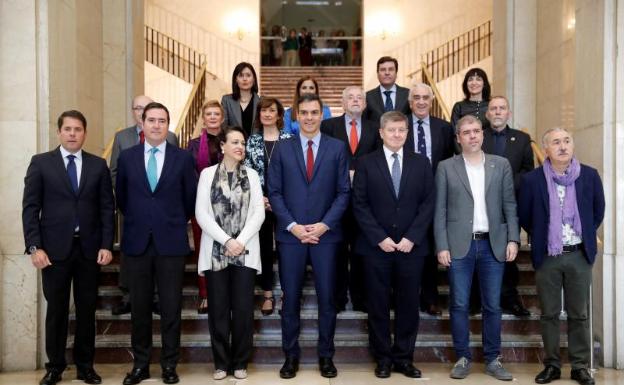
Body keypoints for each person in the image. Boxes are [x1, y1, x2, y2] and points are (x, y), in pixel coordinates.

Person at [22, 110, 114, 385]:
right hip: (53, 251)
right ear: (59, 132)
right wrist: (34, 247)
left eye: (78, 129)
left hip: (88, 250)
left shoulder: (98, 165)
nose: (73, 134)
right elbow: (30, 208)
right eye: (68, 129)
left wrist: (107, 245)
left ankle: (86, 366)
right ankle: (55, 367)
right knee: (57, 310)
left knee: (87, 310)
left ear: (85, 133)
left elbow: (107, 209)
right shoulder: (41, 164)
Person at [268, 93, 350, 379]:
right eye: (304, 112)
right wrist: (293, 226)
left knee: (327, 299)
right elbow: (274, 192)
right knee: (290, 299)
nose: (310, 117)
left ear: (322, 115)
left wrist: (324, 225)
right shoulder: (282, 148)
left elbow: (343, 192)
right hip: (291, 237)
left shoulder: (337, 148)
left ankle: (326, 356)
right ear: (295, 115)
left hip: (326, 237)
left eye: (315, 112)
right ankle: (290, 357)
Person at [116, 102, 197, 385]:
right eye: (151, 120)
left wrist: (169, 220)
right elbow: (122, 199)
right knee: (139, 308)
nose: (156, 125)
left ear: (168, 124)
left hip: (171, 243)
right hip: (137, 242)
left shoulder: (183, 158)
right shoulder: (127, 158)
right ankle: (140, 365)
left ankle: (169, 365)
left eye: (162, 121)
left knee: (171, 307)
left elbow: (190, 199)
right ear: (142, 122)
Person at [434, 114, 519, 381]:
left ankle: (493, 359)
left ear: (482, 135)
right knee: (459, 304)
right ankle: (462, 357)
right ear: (458, 138)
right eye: (466, 132)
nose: (472, 135)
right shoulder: (446, 167)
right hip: (460, 245)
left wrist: (513, 239)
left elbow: (509, 205)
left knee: (492, 305)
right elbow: (440, 210)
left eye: (476, 131)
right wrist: (442, 245)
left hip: (492, 244)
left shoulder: (501, 164)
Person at [518, 128, 604, 385]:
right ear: (546, 149)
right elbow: (525, 216)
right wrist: (546, 236)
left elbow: (598, 211)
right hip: (549, 255)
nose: (563, 146)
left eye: (567, 141)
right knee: (550, 314)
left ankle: (579, 366)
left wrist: (583, 232)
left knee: (580, 314)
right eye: (556, 142)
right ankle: (552, 365)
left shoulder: (589, 176)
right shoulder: (533, 180)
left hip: (579, 254)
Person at [352, 111, 435, 379]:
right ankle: (383, 359)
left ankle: (403, 357)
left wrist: (412, 237)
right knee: (377, 305)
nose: (397, 134)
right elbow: (360, 204)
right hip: (377, 248)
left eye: (402, 130)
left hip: (412, 248)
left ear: (407, 133)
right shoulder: (366, 163)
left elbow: (428, 204)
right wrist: (380, 238)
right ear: (381, 133)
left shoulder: (422, 163)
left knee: (408, 305)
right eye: (392, 130)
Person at [195, 126, 265, 380]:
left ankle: (240, 362)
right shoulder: (207, 175)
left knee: (244, 309)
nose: (240, 147)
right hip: (216, 252)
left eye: (243, 143)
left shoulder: (253, 176)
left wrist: (240, 241)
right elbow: (201, 213)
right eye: (234, 142)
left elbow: (259, 213)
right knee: (219, 309)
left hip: (245, 251)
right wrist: (226, 240)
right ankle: (221, 363)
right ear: (222, 146)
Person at [109, 95, 178, 316]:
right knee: (131, 256)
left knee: (159, 256)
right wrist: (129, 205)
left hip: (162, 214)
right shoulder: (122, 137)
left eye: (144, 107)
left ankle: (156, 297)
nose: (141, 111)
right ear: (134, 112)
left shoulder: (172, 137)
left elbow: (174, 175)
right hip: (132, 209)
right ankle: (129, 296)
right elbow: (115, 172)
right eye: (138, 108)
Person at [321, 86, 380, 312]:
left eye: (359, 98)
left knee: (361, 251)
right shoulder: (328, 126)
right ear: (343, 103)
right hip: (335, 200)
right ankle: (337, 299)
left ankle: (360, 298)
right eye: (350, 98)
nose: (355, 101)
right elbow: (324, 159)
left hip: (366, 201)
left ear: (365, 104)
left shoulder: (376, 129)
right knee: (336, 252)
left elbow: (378, 161)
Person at [406, 83, 456, 316]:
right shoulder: (399, 125)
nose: (421, 101)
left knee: (431, 248)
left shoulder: (444, 128)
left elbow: (451, 160)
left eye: (426, 97)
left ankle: (430, 298)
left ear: (432, 100)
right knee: (408, 247)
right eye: (416, 97)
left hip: (437, 196)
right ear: (410, 101)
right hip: (405, 196)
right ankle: (405, 297)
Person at [483, 96, 534, 317]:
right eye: (493, 108)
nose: (497, 112)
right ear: (487, 113)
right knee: (482, 251)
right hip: (480, 204)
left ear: (508, 113)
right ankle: (481, 298)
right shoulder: (478, 136)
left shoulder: (522, 139)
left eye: (502, 108)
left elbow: (528, 171)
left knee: (508, 254)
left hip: (509, 205)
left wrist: (507, 184)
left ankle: (510, 298)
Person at [244, 97, 292, 316]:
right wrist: (260, 198)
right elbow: (247, 172)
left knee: (286, 249)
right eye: (263, 110)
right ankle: (267, 294)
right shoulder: (251, 141)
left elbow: (295, 174)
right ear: (259, 115)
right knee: (263, 249)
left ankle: (287, 294)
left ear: (279, 115)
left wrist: (278, 199)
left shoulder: (290, 139)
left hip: (285, 204)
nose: (267, 114)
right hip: (259, 204)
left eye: (272, 110)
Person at [187, 100, 225, 314]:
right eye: (208, 113)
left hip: (227, 206)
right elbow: (189, 173)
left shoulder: (231, 140)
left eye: (216, 114)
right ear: (203, 117)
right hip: (200, 205)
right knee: (203, 249)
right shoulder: (193, 144)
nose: (212, 117)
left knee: (224, 249)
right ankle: (205, 295)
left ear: (221, 117)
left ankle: (223, 293)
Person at [363, 56, 411, 124]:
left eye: (391, 69)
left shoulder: (408, 94)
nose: (387, 73)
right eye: (383, 70)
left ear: (396, 73)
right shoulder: (368, 97)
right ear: (377, 74)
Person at [221, 62, 260, 137]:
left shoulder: (261, 101)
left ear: (254, 79)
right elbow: (224, 127)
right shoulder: (226, 100)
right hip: (234, 146)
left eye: (248, 75)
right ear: (236, 79)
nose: (245, 79)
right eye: (241, 76)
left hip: (257, 146)